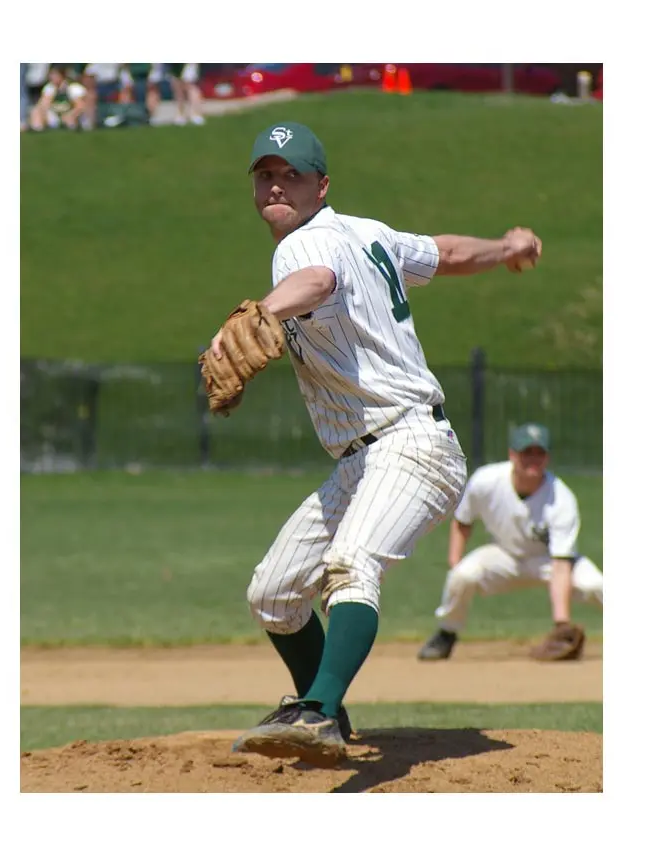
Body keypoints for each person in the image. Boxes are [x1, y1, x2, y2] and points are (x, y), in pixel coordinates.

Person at [206, 121, 542, 767]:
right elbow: (443, 253)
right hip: (362, 459)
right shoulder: (370, 231)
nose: (276, 185)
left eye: (291, 174)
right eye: (265, 174)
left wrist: (260, 314)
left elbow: (318, 282)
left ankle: (320, 711)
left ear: (320, 185)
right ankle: (320, 706)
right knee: (273, 594)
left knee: (351, 563)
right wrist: (503, 246)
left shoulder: (300, 247)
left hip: (410, 442)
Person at [416, 422, 603, 662]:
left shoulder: (561, 498)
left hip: (548, 561)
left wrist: (561, 623)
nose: (533, 459)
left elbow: (560, 565)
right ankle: (447, 633)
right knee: (463, 575)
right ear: (512, 454)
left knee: (596, 585)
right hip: (504, 556)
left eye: (539, 453)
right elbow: (462, 521)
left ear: (547, 458)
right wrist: (455, 565)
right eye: (527, 452)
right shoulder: (486, 480)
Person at [29, 65, 88, 131]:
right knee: (35, 110)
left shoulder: (73, 87)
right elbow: (43, 105)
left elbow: (80, 107)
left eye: (54, 75)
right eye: (51, 74)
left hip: (72, 115)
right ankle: (38, 131)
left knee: (70, 119)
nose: (51, 77)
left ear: (62, 75)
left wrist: (69, 115)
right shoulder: (50, 87)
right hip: (56, 115)